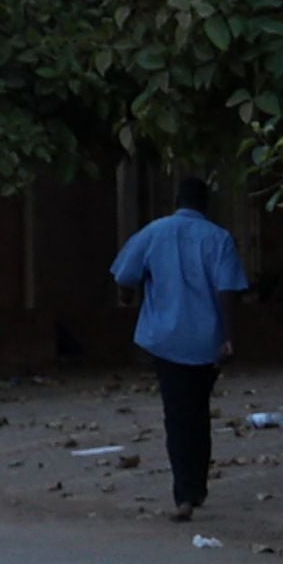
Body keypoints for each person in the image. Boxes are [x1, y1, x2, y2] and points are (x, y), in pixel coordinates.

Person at [110, 176, 251, 516]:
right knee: (198, 411)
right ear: (205, 204)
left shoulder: (153, 232)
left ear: (176, 200)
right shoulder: (218, 238)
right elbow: (228, 290)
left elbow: (124, 277)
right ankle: (196, 486)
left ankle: (184, 494)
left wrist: (131, 295)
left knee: (176, 414)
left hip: (165, 340)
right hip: (205, 342)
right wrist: (231, 337)